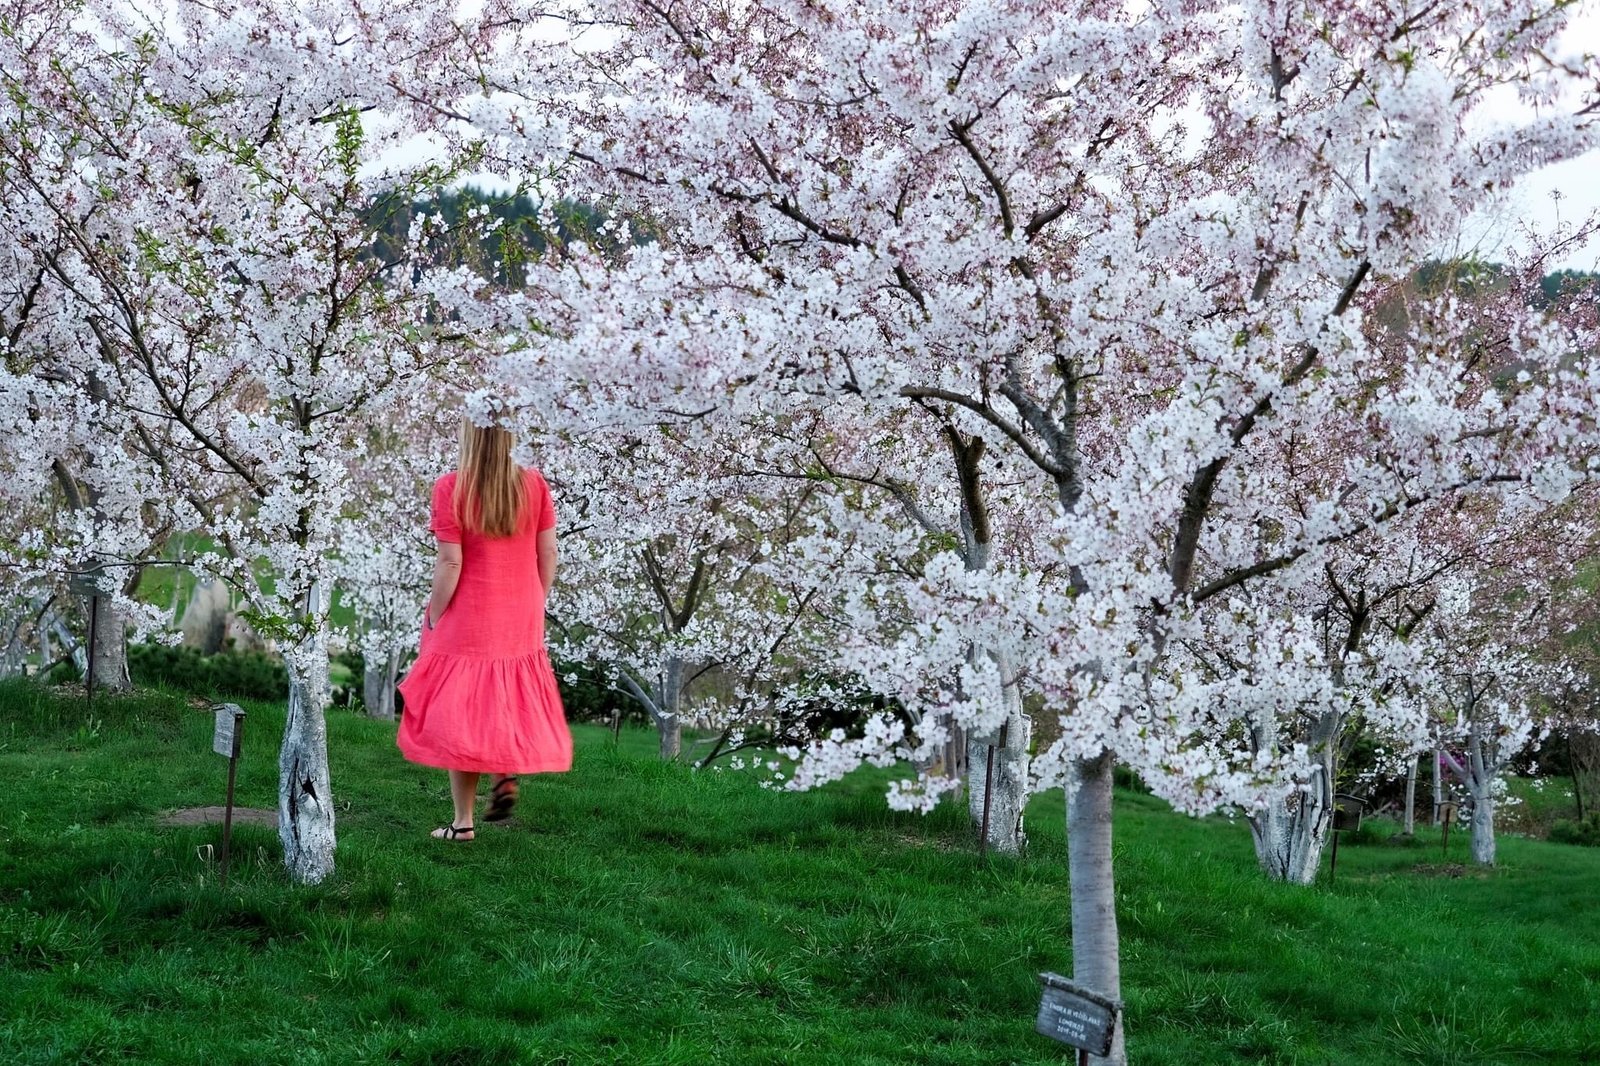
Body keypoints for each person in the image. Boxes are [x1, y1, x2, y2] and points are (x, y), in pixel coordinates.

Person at [396, 420, 571, 841]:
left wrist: (436, 613)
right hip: (521, 609)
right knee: (505, 696)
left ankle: (463, 822)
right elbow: (548, 552)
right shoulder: (534, 484)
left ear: (469, 438)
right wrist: (534, 600)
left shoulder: (451, 488)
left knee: (463, 710)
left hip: (470, 612)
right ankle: (505, 769)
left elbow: (451, 563)